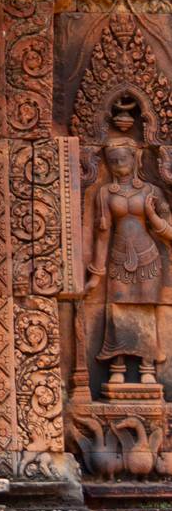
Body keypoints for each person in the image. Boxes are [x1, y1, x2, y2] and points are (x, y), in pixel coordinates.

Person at [87, 134, 172, 386]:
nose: (117, 164)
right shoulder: (104, 193)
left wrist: (150, 213)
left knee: (146, 309)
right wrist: (96, 274)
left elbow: (169, 231)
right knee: (118, 310)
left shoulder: (151, 191)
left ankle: (147, 367)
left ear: (135, 159)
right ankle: (118, 366)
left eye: (122, 159)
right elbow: (102, 236)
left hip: (148, 260)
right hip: (118, 259)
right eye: (112, 161)